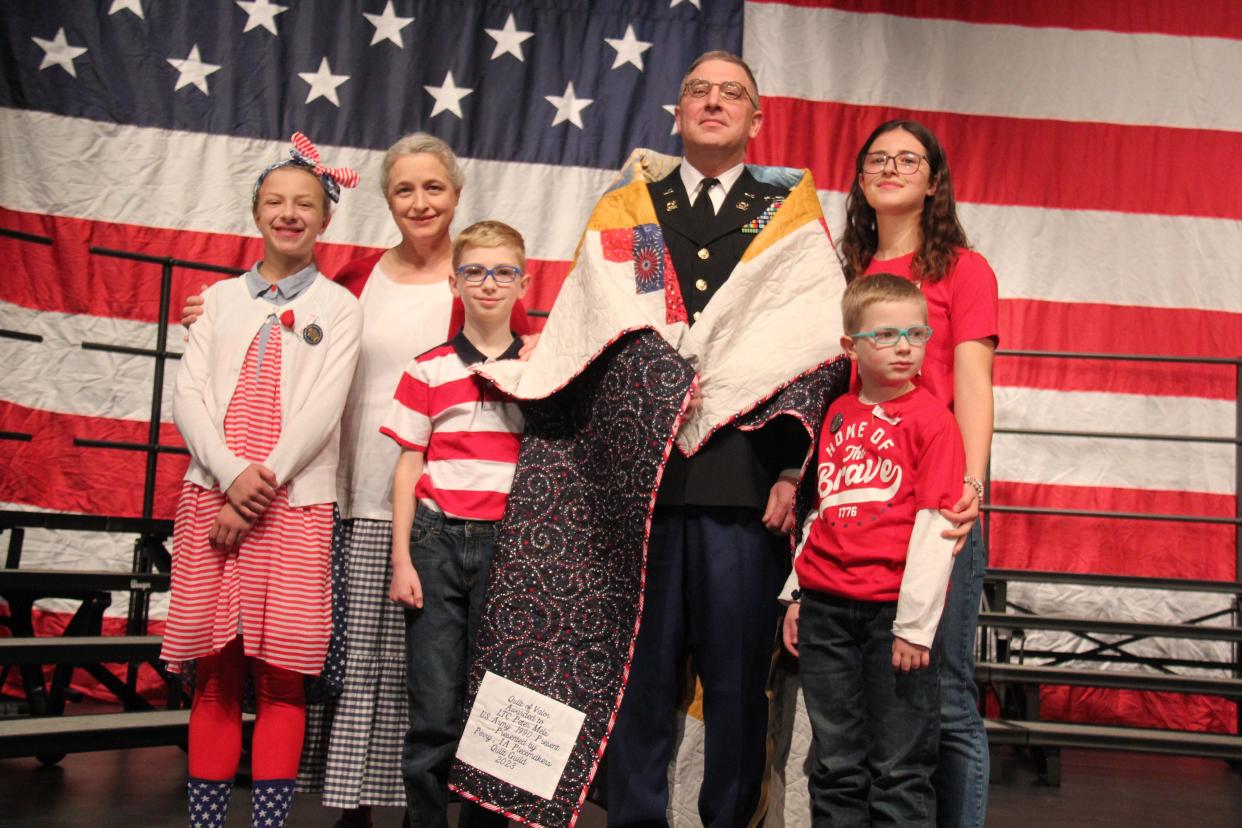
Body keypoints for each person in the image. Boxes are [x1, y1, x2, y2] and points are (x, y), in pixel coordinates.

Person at [183, 134, 530, 828]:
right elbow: (294, 338)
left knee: (424, 673)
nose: (421, 201)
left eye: (434, 188)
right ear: (386, 200)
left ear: (456, 195)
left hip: (434, 505)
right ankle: (354, 802)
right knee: (357, 663)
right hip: (354, 493)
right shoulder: (361, 279)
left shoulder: (474, 277)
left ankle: (418, 804)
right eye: (405, 189)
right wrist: (212, 312)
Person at [605, 51, 815, 826]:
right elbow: (623, 317)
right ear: (679, 111)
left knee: (734, 686)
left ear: (757, 120)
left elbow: (811, 344)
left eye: (734, 95)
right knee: (644, 682)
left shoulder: (783, 209)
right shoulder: (637, 204)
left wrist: (795, 469)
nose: (715, 102)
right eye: (699, 91)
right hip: (650, 488)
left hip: (745, 485)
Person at [160, 134, 362, 828]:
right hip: (212, 497)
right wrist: (229, 475)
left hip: (291, 505)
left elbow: (322, 409)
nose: (289, 213)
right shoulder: (216, 301)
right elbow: (189, 399)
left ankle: (269, 822)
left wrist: (262, 482)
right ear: (256, 212)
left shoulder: (338, 308)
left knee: (281, 677)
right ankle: (208, 821)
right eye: (275, 201)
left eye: (304, 203)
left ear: (325, 219)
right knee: (215, 673)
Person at [839, 119, 999, 827]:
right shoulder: (845, 270)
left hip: (936, 506)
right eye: (878, 159)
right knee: (876, 702)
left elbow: (975, 385)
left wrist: (968, 491)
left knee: (947, 695)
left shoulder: (963, 269)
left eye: (909, 159)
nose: (892, 167)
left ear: (933, 181)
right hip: (857, 509)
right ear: (862, 180)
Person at [780, 273, 964, 824]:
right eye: (885, 335)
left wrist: (914, 626)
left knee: (900, 768)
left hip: (892, 616)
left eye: (916, 332)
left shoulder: (934, 422)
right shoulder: (836, 413)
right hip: (825, 612)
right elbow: (824, 510)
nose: (905, 346)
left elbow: (937, 529)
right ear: (850, 346)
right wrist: (796, 594)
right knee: (835, 765)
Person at [381, 220, 530, 828]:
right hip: (437, 543)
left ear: (524, 282)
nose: (488, 283)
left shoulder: (543, 366)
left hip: (511, 546)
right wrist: (401, 559)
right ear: (454, 282)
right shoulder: (428, 369)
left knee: (496, 708)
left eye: (503, 271)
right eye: (474, 271)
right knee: (435, 710)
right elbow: (407, 464)